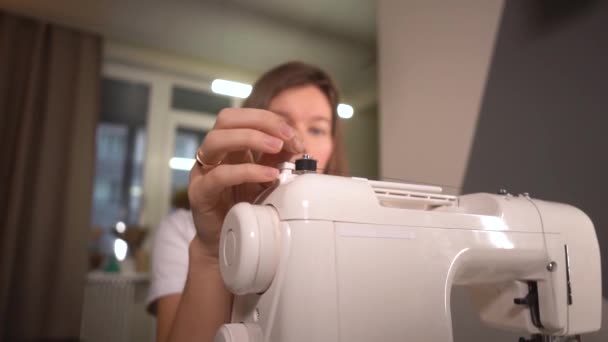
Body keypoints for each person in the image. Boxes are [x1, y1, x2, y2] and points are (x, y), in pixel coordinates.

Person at [147, 61, 349, 342]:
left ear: (332, 148)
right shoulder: (183, 231)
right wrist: (214, 252)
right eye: (284, 125)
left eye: (317, 129)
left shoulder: (351, 229)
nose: (299, 143)